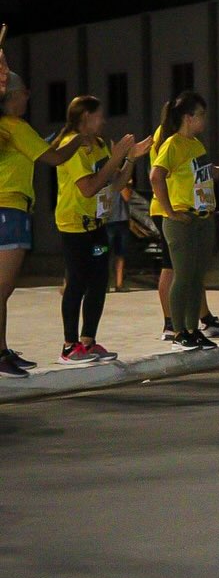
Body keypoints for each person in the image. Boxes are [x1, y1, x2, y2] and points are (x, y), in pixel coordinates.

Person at [0, 72, 92, 377]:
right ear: (12, 95)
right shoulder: (14, 126)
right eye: (25, 91)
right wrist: (78, 139)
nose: (28, 95)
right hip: (9, 209)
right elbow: (53, 158)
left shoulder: (9, 129)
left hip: (10, 208)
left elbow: (38, 148)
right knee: (2, 288)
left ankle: (3, 349)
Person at [52, 95, 151, 364]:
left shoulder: (98, 145)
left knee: (98, 280)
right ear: (86, 118)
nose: (104, 121)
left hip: (97, 225)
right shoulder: (70, 145)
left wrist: (130, 159)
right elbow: (89, 188)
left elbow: (115, 185)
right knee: (77, 281)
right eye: (99, 116)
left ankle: (88, 341)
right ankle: (69, 346)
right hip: (75, 226)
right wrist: (116, 156)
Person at [149, 102, 219, 341]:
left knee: (195, 276)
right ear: (187, 117)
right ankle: (178, 330)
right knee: (181, 275)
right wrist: (171, 211)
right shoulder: (171, 143)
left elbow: (197, 174)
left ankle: (193, 328)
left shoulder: (195, 144)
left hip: (200, 217)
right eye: (201, 115)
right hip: (180, 218)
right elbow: (156, 176)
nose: (204, 120)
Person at [105, 178, 133, 292]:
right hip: (107, 221)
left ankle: (119, 283)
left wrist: (124, 182)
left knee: (121, 253)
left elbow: (127, 196)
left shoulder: (122, 180)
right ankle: (105, 283)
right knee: (103, 252)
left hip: (122, 220)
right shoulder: (103, 179)